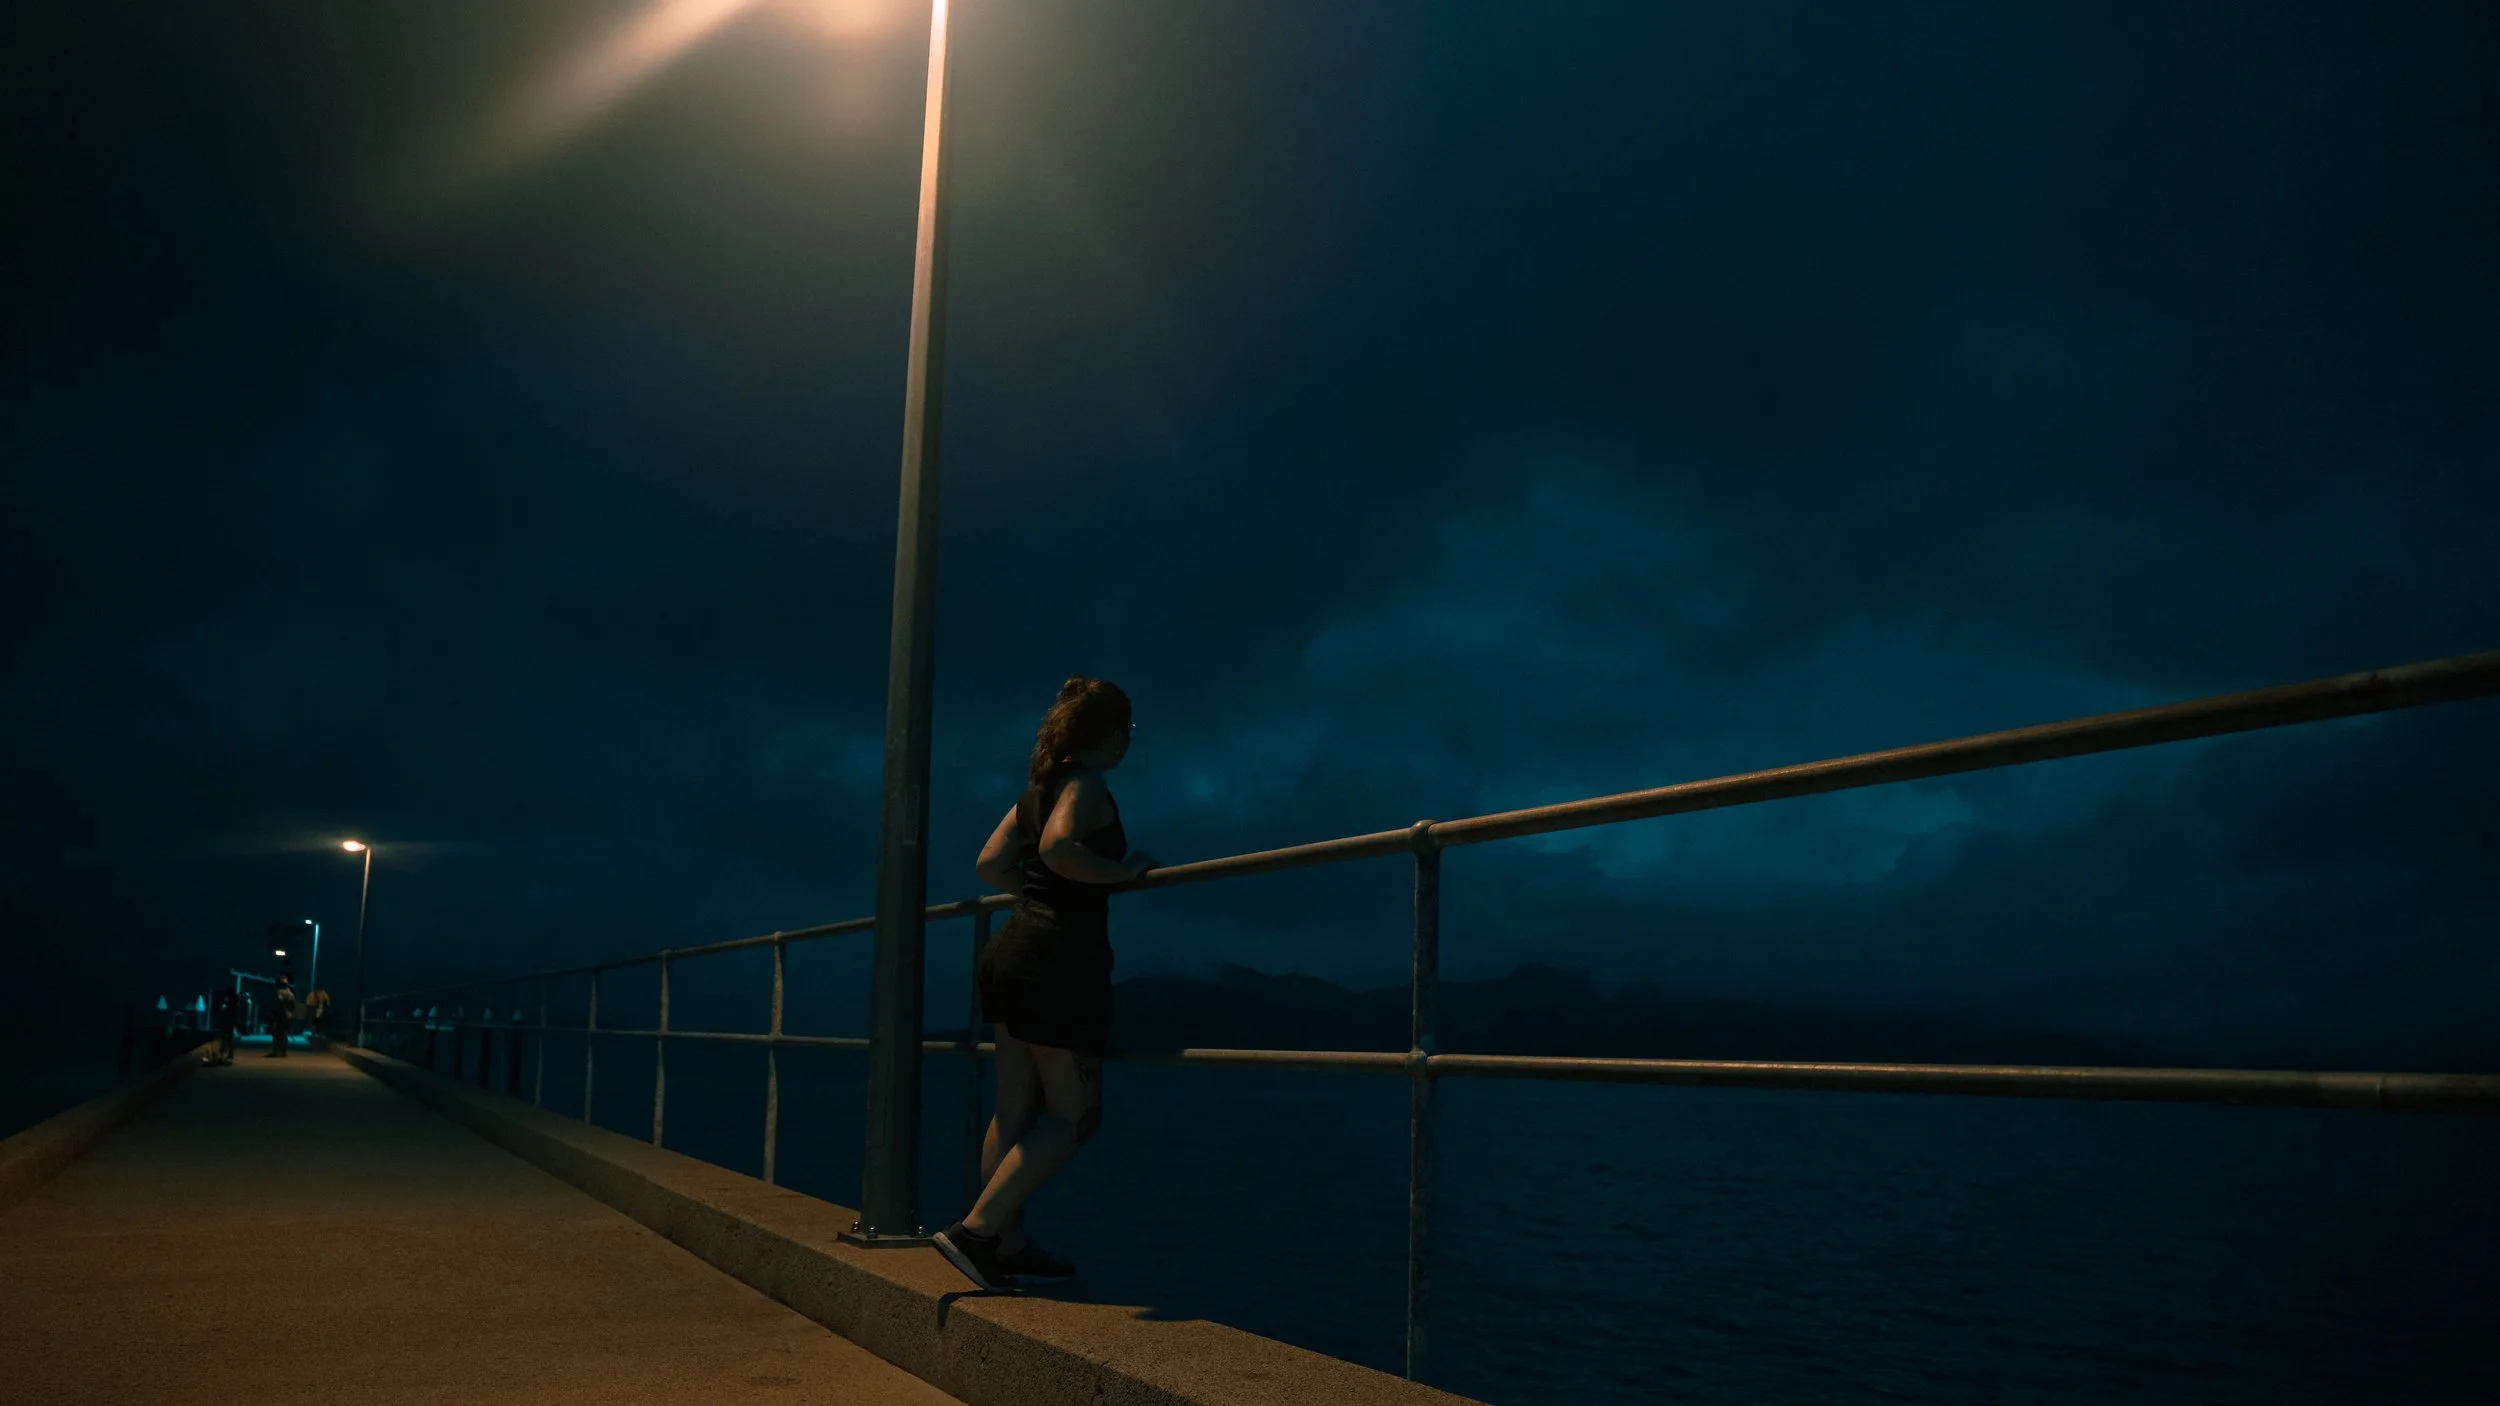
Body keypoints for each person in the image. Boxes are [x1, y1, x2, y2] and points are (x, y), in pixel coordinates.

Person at [933, 677, 1155, 1292]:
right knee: (1075, 1115)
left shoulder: (1035, 790)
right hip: (1058, 960)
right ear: (1109, 735)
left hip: (1012, 950)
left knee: (1014, 1107)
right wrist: (1120, 873)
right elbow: (1059, 849)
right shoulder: (1085, 785)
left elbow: (988, 865)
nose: (1128, 744)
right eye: (1128, 733)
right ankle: (976, 1232)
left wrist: (1038, 893)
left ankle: (1006, 1244)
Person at [266, 975, 297, 1057]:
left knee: (277, 1034)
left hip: (280, 1016)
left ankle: (276, 1051)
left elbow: (279, 1004)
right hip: (288, 1016)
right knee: (284, 1034)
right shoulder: (290, 993)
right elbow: (293, 1005)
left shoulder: (279, 993)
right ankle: (283, 1051)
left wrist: (275, 1014)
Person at [210, 988, 239, 1065]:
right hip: (231, 1023)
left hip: (228, 1023)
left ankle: (223, 1053)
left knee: (225, 1038)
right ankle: (229, 1053)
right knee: (229, 1038)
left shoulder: (230, 1004)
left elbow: (225, 1013)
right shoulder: (235, 1002)